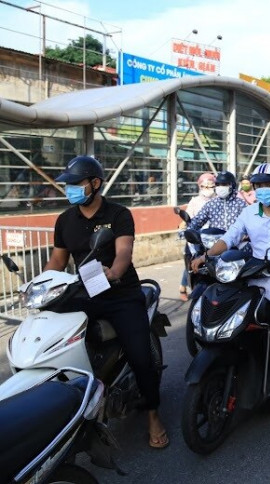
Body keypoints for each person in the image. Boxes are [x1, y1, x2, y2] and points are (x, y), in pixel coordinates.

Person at [44, 155, 168, 448]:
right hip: (84, 293)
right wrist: (41, 286)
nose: (70, 189)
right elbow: (58, 261)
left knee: (141, 356)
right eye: (68, 185)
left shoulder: (119, 214)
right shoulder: (65, 220)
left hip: (120, 293)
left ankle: (153, 415)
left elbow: (124, 252)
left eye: (76, 183)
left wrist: (113, 272)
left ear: (95, 183)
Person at [191, 163, 270, 424]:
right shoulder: (249, 213)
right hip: (253, 276)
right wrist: (206, 256)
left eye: (268, 184)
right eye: (258, 185)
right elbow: (230, 238)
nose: (263, 190)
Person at [178, 172, 216, 300]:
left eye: (210, 186)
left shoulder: (219, 201)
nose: (207, 189)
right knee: (192, 262)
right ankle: (183, 287)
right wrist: (182, 227)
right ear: (199, 186)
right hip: (196, 239)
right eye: (204, 186)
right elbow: (186, 218)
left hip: (214, 238)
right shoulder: (195, 201)